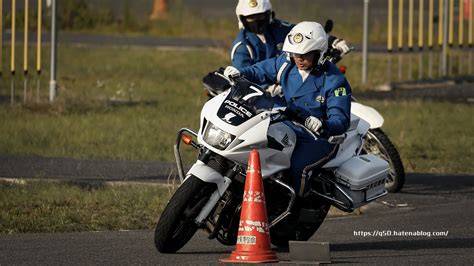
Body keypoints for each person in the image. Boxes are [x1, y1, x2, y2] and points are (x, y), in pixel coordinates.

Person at [224, 21, 352, 196]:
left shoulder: (334, 80)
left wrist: (321, 124)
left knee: (299, 166)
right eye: (295, 53)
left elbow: (341, 120)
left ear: (320, 53)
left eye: (305, 54)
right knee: (252, 145)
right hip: (285, 122)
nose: (299, 58)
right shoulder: (286, 63)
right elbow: (261, 70)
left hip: (317, 137)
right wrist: (240, 74)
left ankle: (295, 207)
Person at [231, 0, 350, 70]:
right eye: (251, 18)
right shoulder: (242, 46)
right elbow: (244, 77)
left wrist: (331, 40)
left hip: (295, 81)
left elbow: (305, 32)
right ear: (242, 19)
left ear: (269, 15)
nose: (257, 21)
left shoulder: (280, 28)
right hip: (264, 100)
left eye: (260, 16)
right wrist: (269, 88)